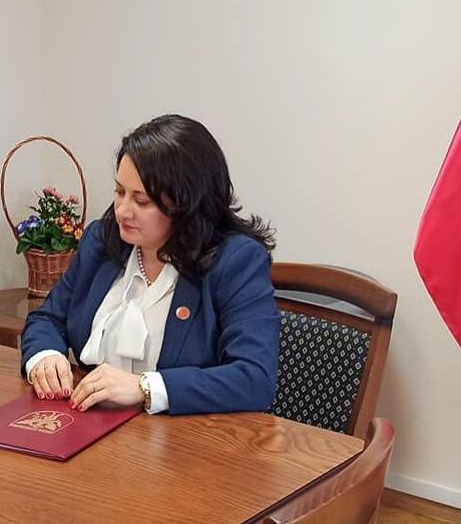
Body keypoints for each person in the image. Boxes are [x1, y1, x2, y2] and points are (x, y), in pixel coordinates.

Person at [20, 114, 279, 415]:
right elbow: (47, 318)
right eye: (119, 192)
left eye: (141, 201)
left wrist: (145, 388)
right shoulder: (102, 241)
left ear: (186, 204)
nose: (122, 211)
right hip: (91, 427)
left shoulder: (236, 261)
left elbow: (254, 379)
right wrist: (45, 356)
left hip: (185, 445)